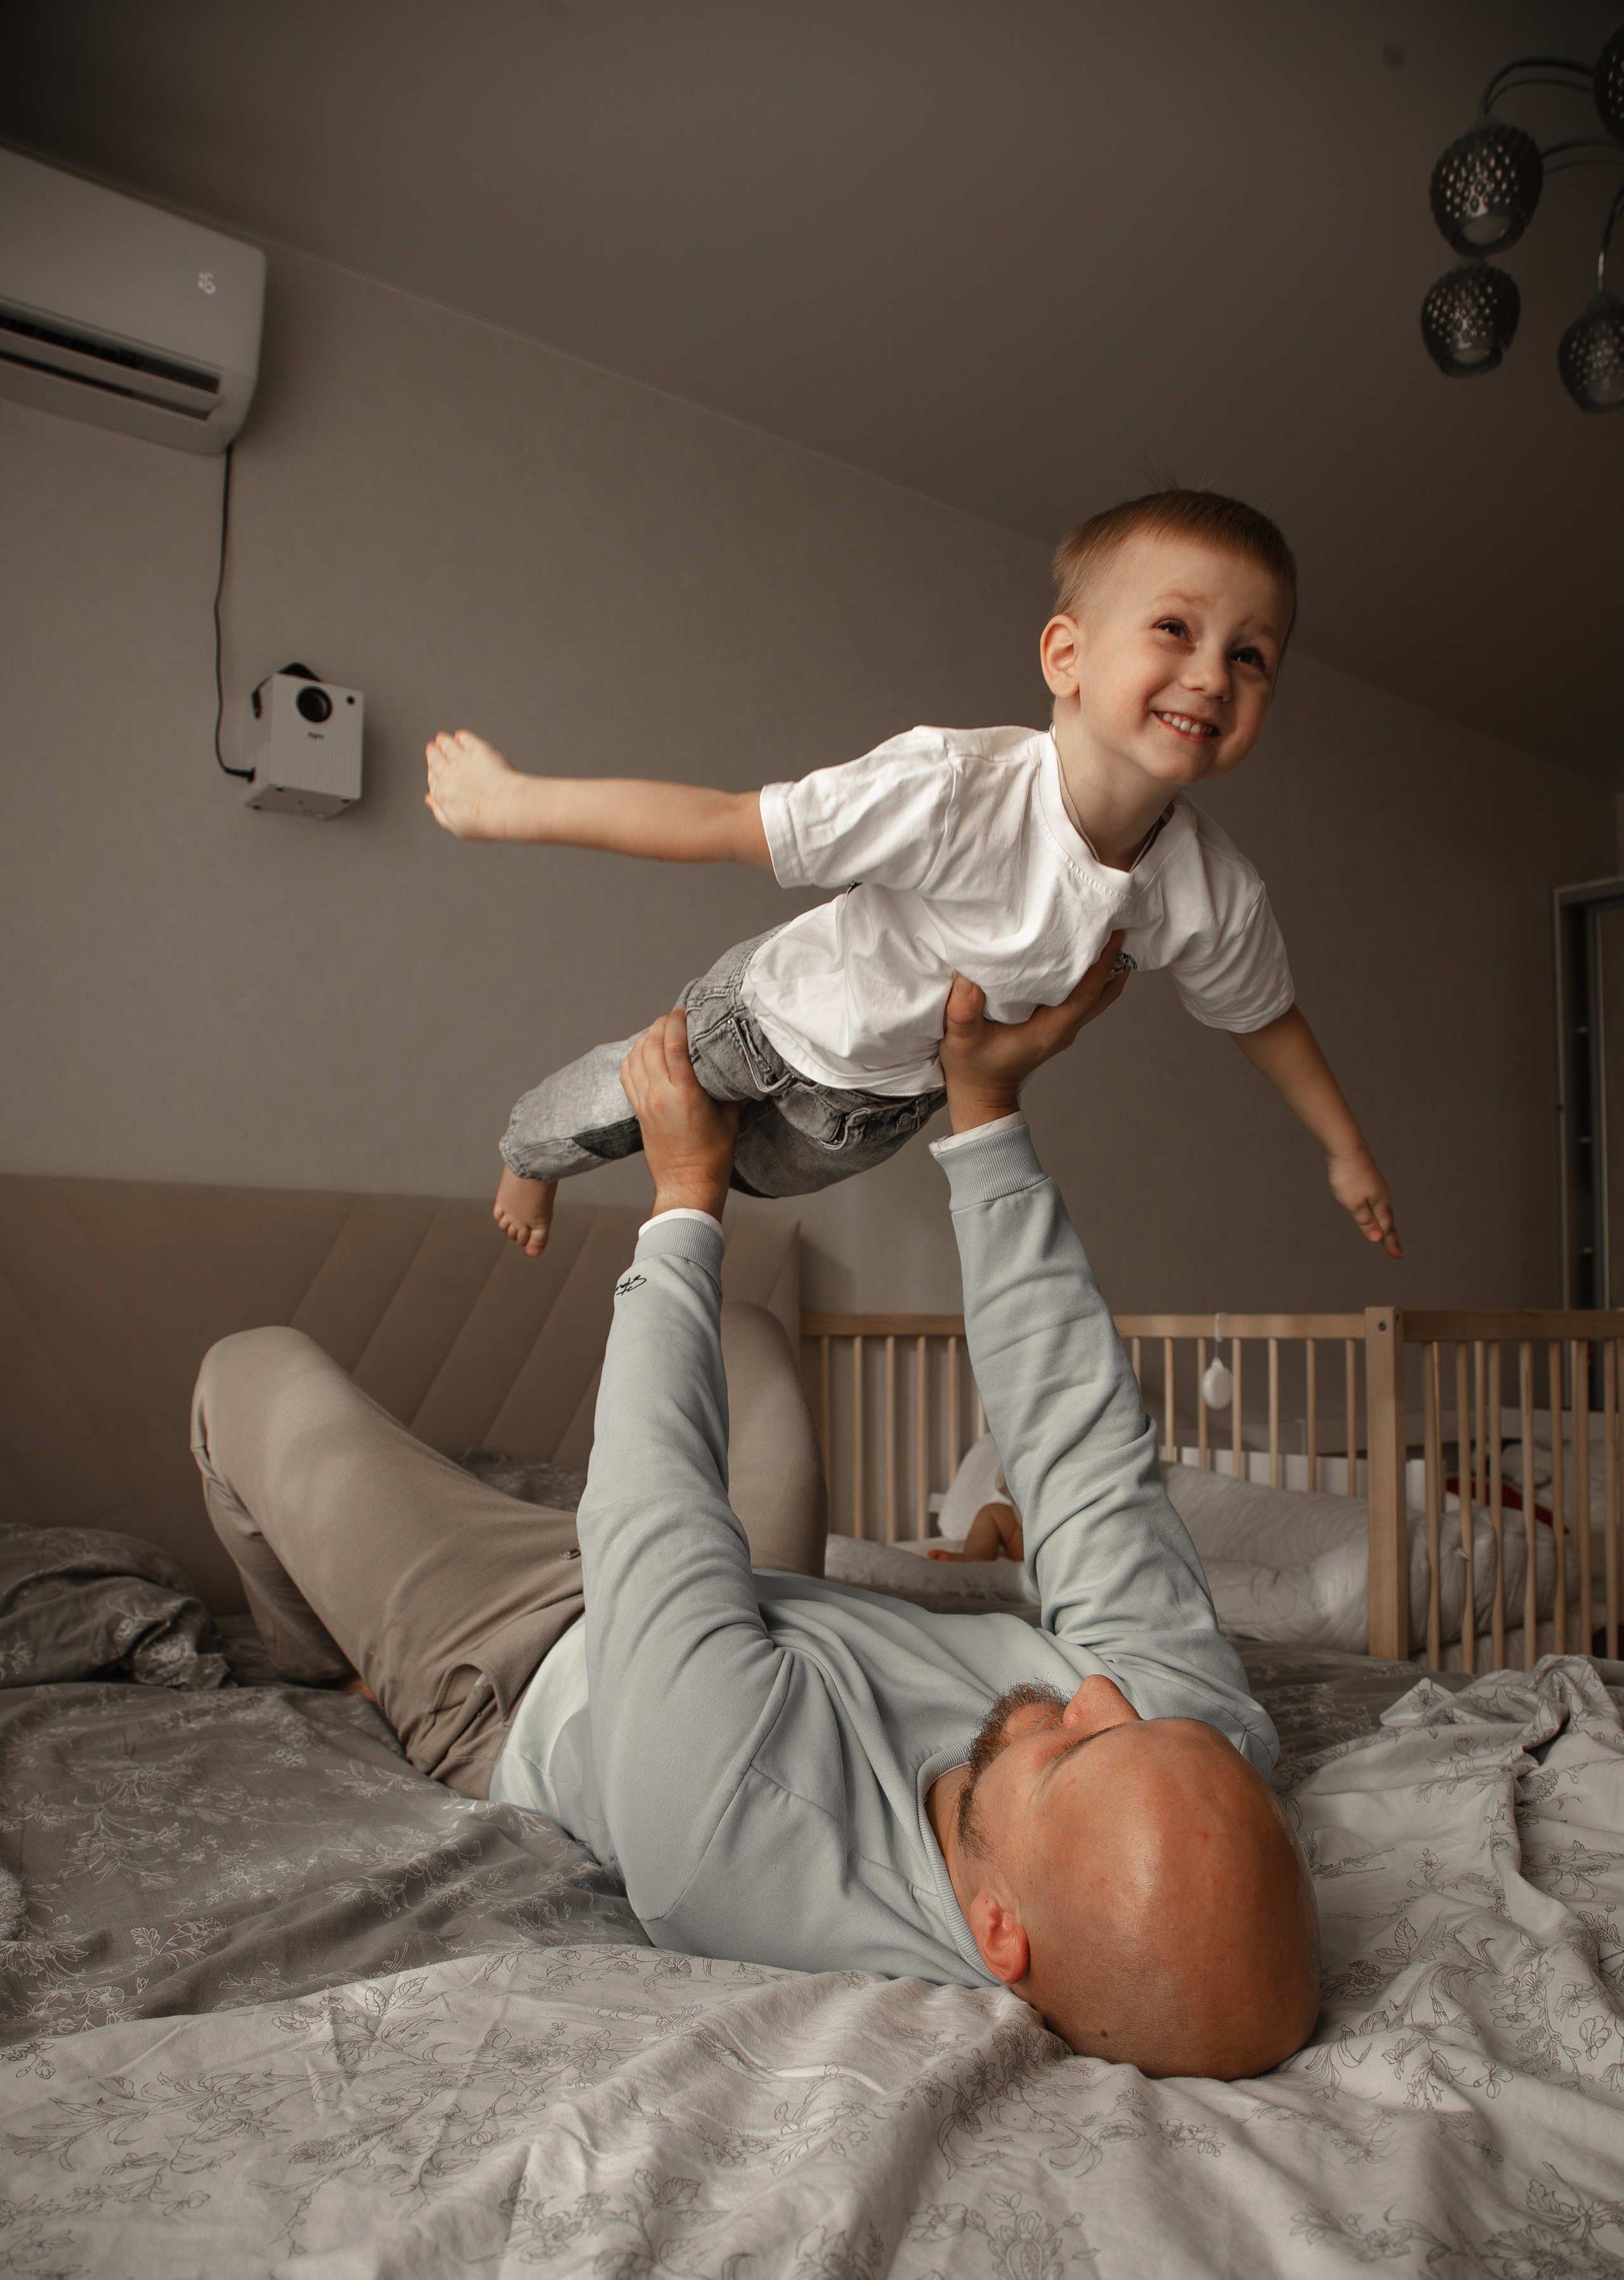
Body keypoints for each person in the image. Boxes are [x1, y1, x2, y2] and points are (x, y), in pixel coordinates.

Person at [192, 944, 1320, 2078]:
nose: (1101, 1695)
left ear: (998, 1934)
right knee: (746, 1331)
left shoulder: (736, 1834)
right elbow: (1083, 1452)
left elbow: (651, 1510)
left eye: (1074, 1753)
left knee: (246, 1371)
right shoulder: (1189, 1739)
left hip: (525, 1658)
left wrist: (687, 1193)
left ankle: (322, 1655)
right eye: (1147, 1722)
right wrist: (985, 1112)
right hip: (755, 1622)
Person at [424, 487, 1400, 1268]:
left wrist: (1346, 1149)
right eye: (1176, 629)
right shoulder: (956, 789)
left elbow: (1264, 1017)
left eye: (1250, 655)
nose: (1214, 676)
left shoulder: (1213, 893)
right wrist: (515, 805)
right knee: (621, 1104)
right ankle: (528, 1153)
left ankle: (678, 1172)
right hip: (771, 1019)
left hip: (883, 1109)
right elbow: (725, 822)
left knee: (738, 1178)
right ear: (1067, 655)